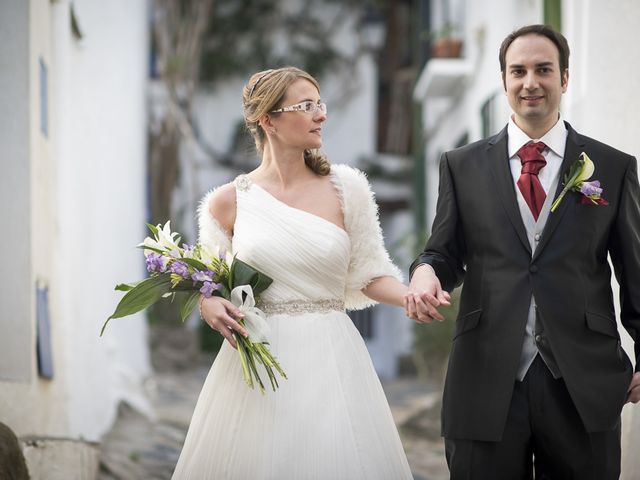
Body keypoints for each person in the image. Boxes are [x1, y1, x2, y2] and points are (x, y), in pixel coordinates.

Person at [407, 24, 640, 479]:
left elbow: (635, 272)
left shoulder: (612, 167)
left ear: (564, 79)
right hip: (485, 376)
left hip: (583, 380)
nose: (530, 81)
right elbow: (443, 252)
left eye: (543, 69)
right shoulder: (461, 165)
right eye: (518, 71)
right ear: (504, 80)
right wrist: (424, 273)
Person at [172, 66, 413, 479]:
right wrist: (207, 302)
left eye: (321, 104)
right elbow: (209, 284)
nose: (321, 115)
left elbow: (370, 273)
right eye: (306, 106)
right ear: (268, 120)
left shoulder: (346, 188)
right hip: (258, 359)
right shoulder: (226, 203)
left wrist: (411, 295)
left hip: (331, 354)